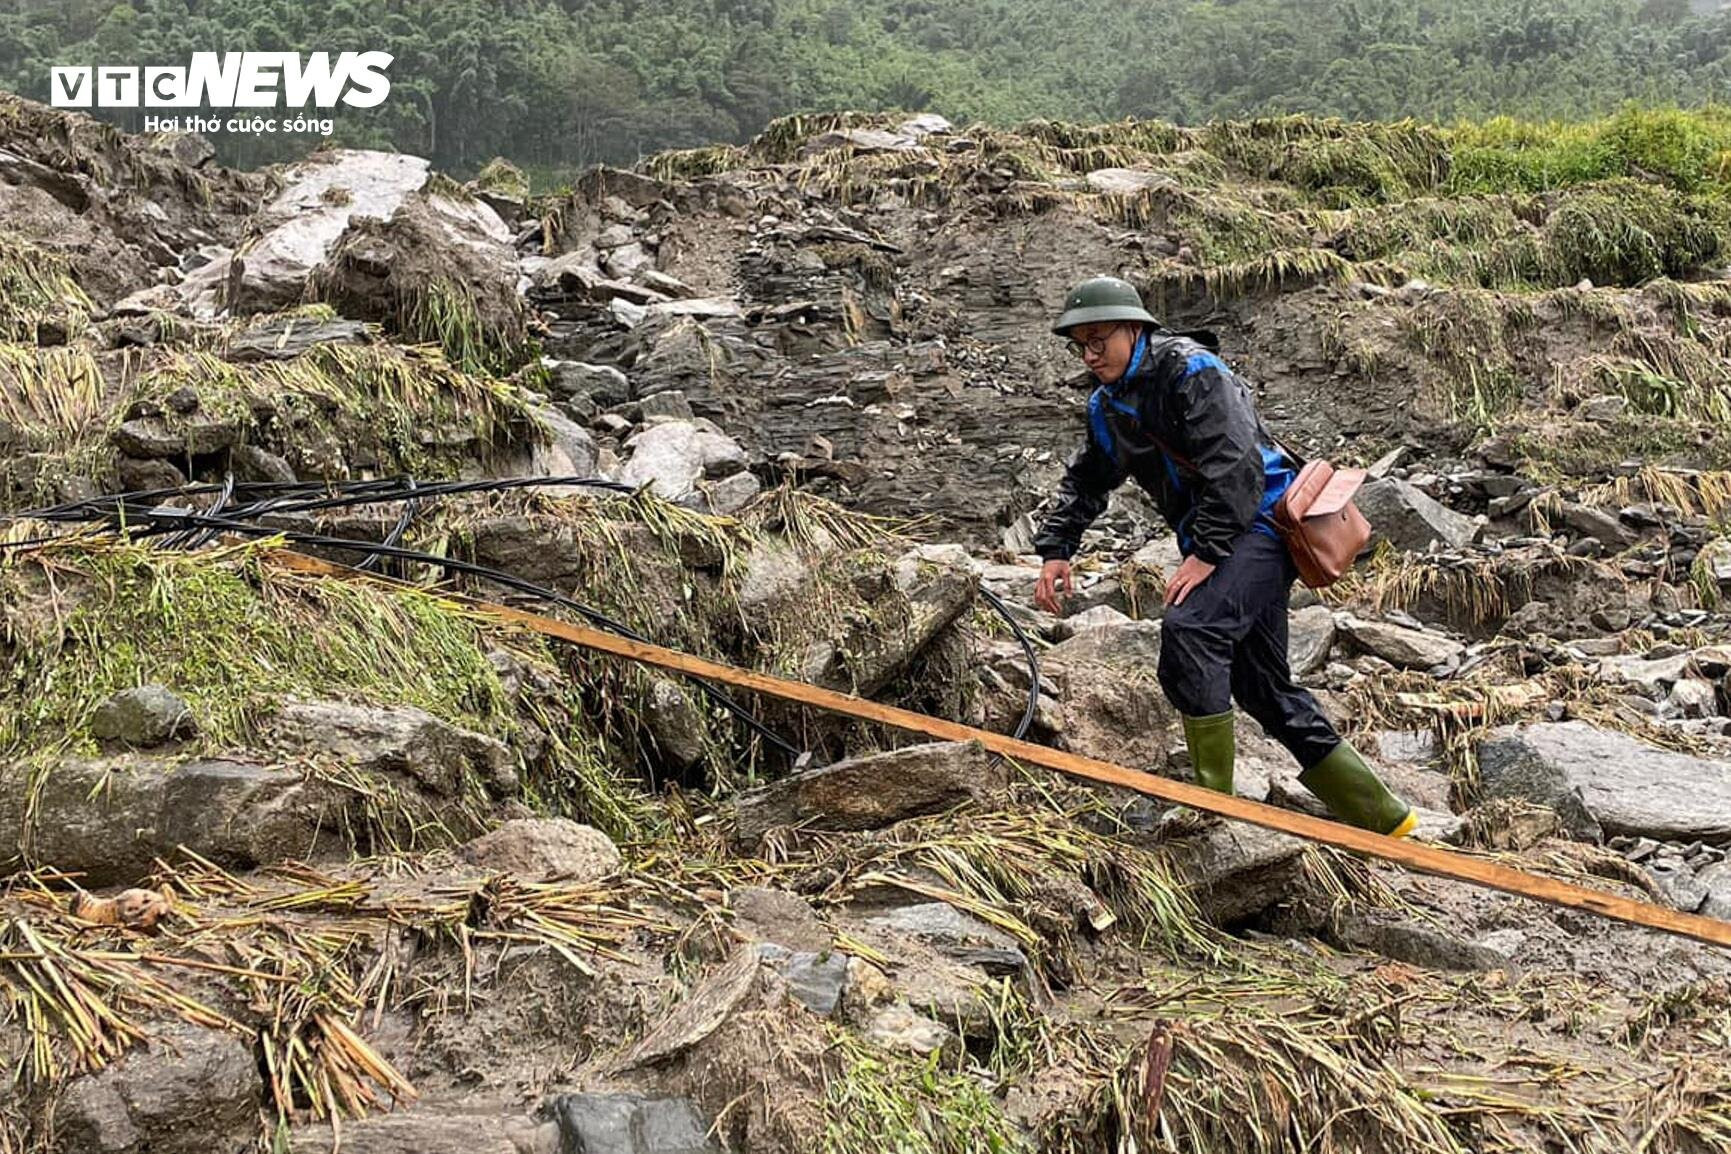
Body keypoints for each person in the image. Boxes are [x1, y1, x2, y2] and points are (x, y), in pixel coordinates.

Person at [1031, 275, 1416, 837]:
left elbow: (1237, 466)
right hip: (1221, 535)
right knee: (1263, 684)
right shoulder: (1106, 406)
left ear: (1135, 330)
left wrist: (1207, 553)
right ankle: (1387, 819)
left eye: (1099, 340)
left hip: (1262, 523)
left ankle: (1213, 805)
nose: (1089, 355)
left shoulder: (1193, 372)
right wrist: (1056, 549)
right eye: (1079, 345)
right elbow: (1089, 478)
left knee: (1192, 628)